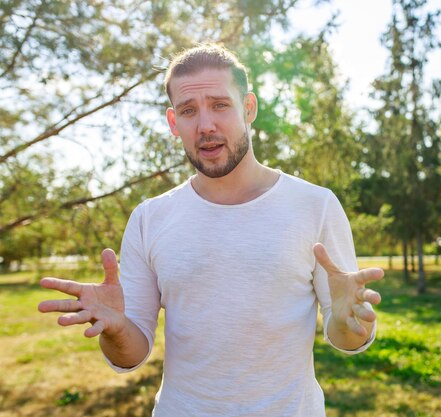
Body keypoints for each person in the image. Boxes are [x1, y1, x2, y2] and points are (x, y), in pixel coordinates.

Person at [38, 43, 384, 417]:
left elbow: (345, 334)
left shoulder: (315, 205)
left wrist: (353, 322)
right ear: (174, 123)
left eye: (220, 105)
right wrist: (117, 330)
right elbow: (132, 353)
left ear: (248, 108)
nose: (205, 125)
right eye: (189, 111)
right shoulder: (150, 218)